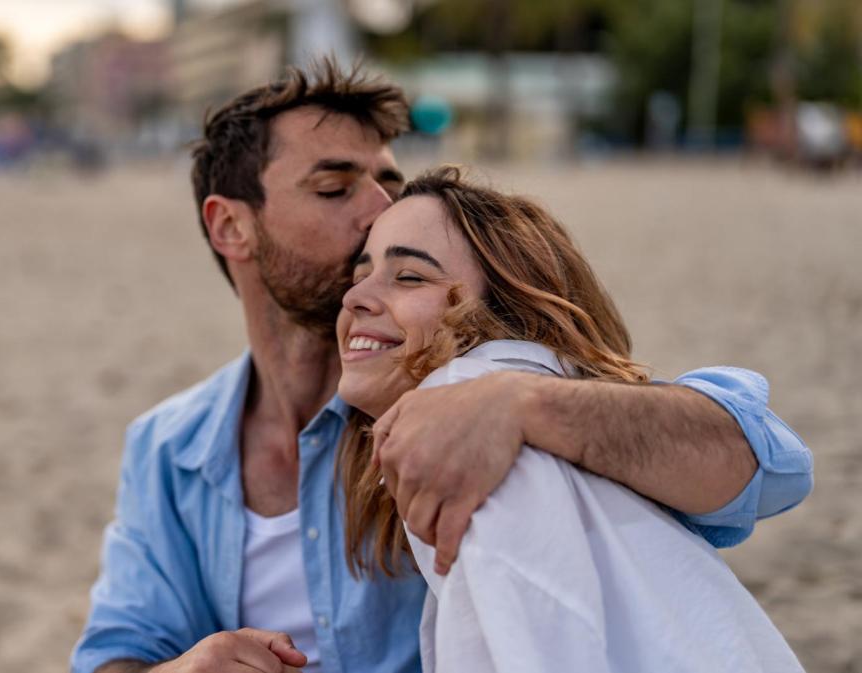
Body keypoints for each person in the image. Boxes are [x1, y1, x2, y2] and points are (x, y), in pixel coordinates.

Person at [71, 61, 813, 673]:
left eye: (388, 183)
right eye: (335, 187)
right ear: (231, 224)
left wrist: (524, 405)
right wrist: (185, 669)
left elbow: (768, 463)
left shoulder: (459, 377)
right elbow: (114, 654)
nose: (377, 208)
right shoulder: (168, 447)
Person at [336, 166, 804, 672]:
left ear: (506, 311)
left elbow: (781, 467)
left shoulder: (467, 405)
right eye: (360, 276)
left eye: (410, 276)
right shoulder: (512, 406)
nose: (353, 297)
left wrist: (516, 400)